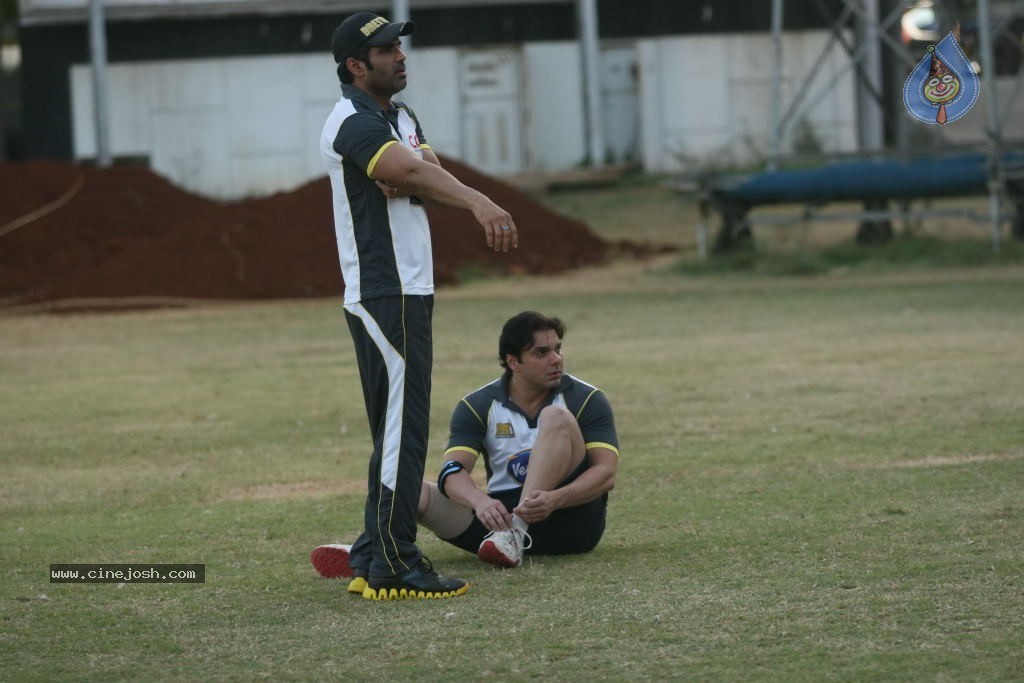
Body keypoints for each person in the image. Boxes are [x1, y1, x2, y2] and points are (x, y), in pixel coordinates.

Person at [318, 11, 519, 602]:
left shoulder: (397, 116)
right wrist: (477, 200)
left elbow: (420, 171)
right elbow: (404, 171)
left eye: (399, 45)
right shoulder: (353, 122)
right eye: (385, 50)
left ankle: (369, 550)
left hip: (410, 290)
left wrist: (418, 178)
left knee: (397, 431)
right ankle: (394, 561)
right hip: (385, 293)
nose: (400, 55)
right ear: (357, 66)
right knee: (403, 434)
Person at [312, 311, 619, 584]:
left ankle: (515, 531)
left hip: (571, 522)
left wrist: (554, 498)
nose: (556, 359)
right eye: (541, 352)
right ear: (514, 362)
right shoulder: (478, 404)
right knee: (411, 487)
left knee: (555, 418)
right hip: (494, 530)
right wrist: (480, 502)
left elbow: (605, 473)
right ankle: (378, 549)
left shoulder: (587, 399)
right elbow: (452, 472)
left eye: (557, 349)